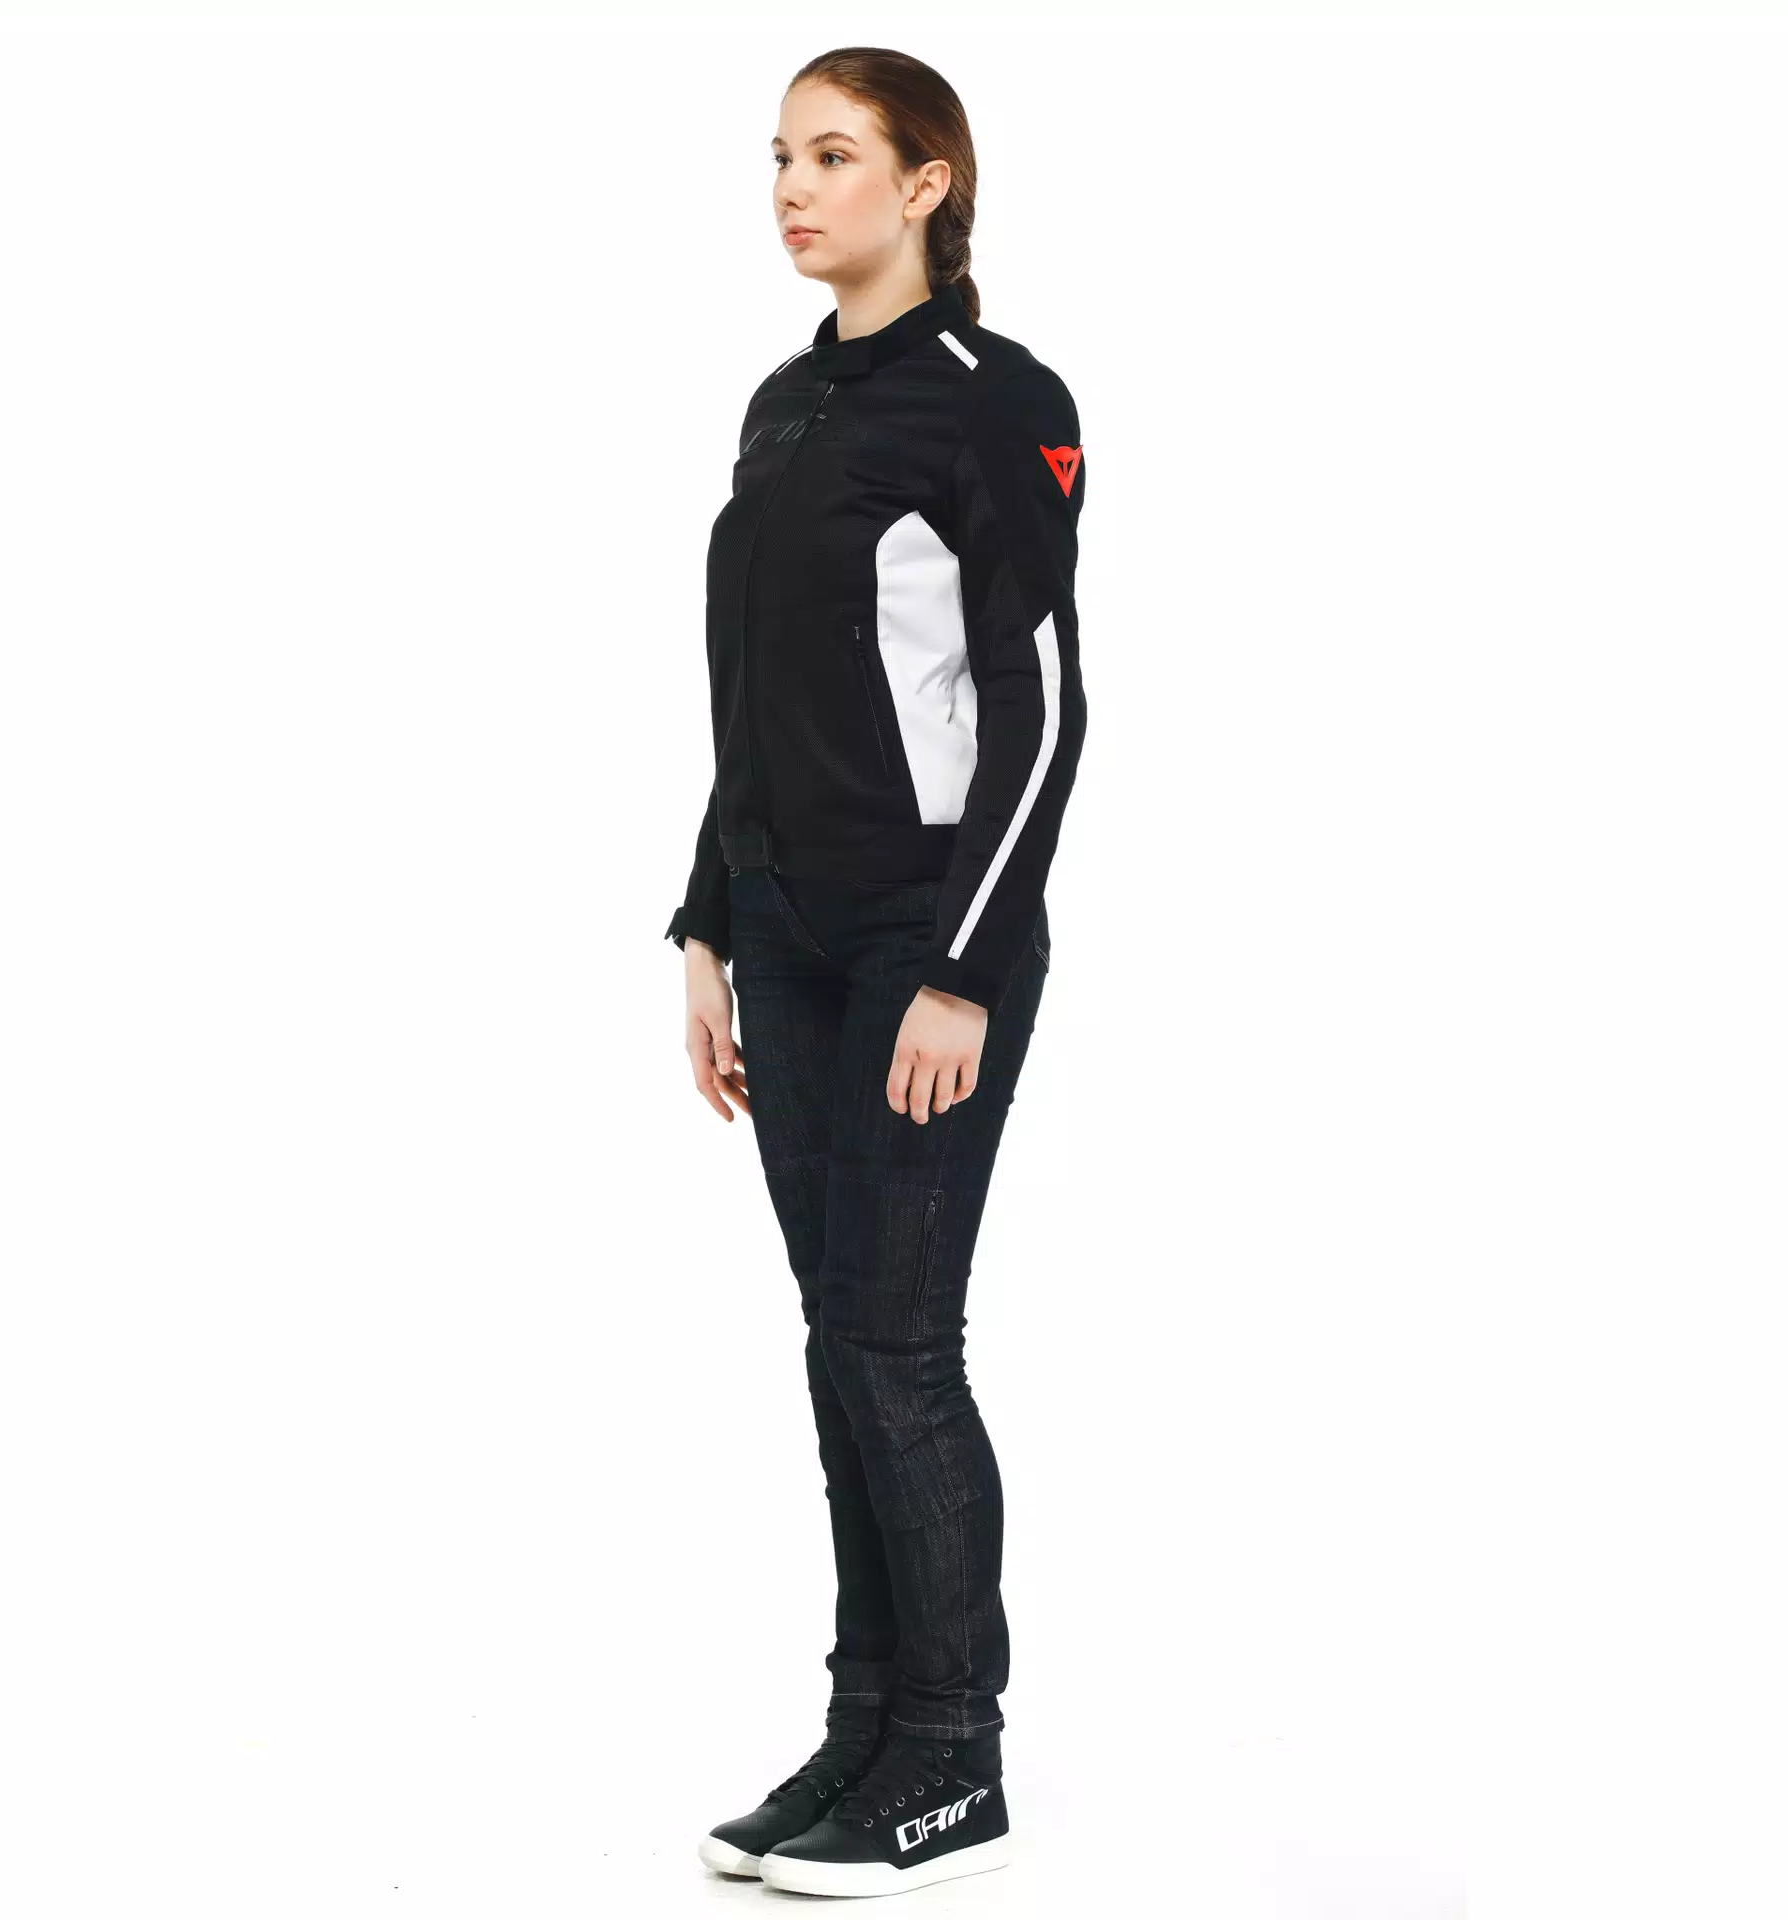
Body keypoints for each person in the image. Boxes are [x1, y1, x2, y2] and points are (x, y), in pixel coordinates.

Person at [667, 47, 1088, 1899]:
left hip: (927, 935)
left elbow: (1041, 706)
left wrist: (962, 967)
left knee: (900, 1344)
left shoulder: (998, 402)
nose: (792, 186)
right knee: (840, 1335)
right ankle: (864, 1726)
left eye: (833, 155)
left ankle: (952, 1757)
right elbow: (756, 701)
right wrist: (703, 923)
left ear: (927, 185)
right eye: (779, 155)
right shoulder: (782, 406)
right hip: (783, 931)